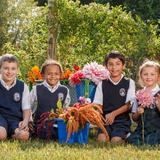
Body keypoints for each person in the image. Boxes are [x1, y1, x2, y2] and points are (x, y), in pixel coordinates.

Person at [93, 51, 135, 143]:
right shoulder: (102, 83)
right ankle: (107, 132)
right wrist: (97, 117)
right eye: (110, 64)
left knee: (115, 141)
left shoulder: (129, 82)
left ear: (123, 66)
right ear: (106, 66)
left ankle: (126, 135)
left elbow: (128, 105)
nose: (114, 67)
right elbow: (97, 104)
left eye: (118, 64)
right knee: (102, 140)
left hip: (122, 121)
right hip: (106, 120)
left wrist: (113, 114)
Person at [30, 59, 70, 139]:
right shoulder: (37, 89)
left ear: (60, 75)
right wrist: (29, 122)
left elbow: (66, 108)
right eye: (49, 74)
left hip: (58, 123)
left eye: (56, 74)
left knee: (64, 131)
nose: (53, 76)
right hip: (41, 123)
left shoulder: (65, 90)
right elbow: (28, 107)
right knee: (45, 132)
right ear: (43, 75)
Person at [128, 60, 160, 145]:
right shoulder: (138, 95)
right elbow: (134, 118)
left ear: (158, 77)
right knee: (134, 141)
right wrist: (138, 112)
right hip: (142, 129)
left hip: (157, 129)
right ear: (141, 76)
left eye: (152, 74)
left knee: (151, 141)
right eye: (145, 74)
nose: (149, 77)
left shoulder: (159, 94)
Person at [0, 54, 31, 141]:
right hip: (0, 118)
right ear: (0, 69)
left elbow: (26, 109)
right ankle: (5, 134)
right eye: (6, 68)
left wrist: (25, 122)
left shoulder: (22, 86)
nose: (9, 72)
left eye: (13, 68)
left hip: (15, 119)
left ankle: (13, 134)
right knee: (1, 135)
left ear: (17, 70)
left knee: (24, 136)